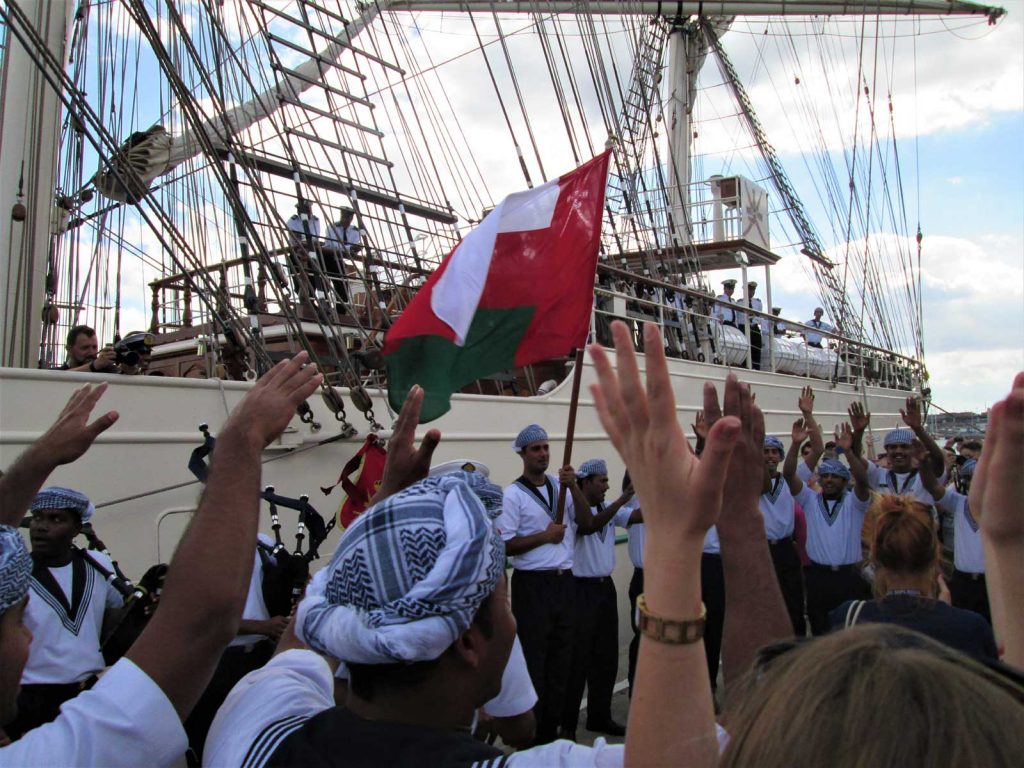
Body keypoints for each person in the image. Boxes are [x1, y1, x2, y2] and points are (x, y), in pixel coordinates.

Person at [205, 395, 624, 767]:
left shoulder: (255, 730)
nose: (512, 623)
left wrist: (386, 501)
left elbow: (308, 625)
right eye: (500, 602)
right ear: (465, 641)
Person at [0, 353, 322, 765]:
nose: (28, 636)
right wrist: (242, 439)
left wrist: (39, 459)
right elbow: (198, 624)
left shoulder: (93, 570)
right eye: (16, 621)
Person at [4, 487, 126, 738]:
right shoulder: (14, 573)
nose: (40, 526)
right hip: (31, 698)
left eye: (56, 519)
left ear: (77, 528)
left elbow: (119, 611)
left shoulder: (98, 565)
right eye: (38, 517)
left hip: (87, 693)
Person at [495, 424, 589, 745]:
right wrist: (544, 537)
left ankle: (553, 732)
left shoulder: (560, 487)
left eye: (546, 447)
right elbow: (505, 544)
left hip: (565, 584)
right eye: (535, 449)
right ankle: (531, 739)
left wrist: (574, 486)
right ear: (522, 454)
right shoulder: (512, 495)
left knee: (563, 660)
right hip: (533, 586)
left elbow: (587, 522)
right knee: (535, 661)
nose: (543, 453)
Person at [828, 493, 996, 660]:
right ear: (935, 554)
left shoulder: (848, 618)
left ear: (874, 554)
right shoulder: (969, 628)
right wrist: (945, 613)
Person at [183, 533, 290, 764]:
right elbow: (203, 617)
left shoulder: (264, 543)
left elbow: (288, 581)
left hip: (259, 656)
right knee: (212, 738)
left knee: (259, 735)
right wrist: (262, 626)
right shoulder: (200, 550)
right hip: (219, 664)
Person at [560, 458, 640, 740]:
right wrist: (623, 499)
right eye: (601, 480)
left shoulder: (606, 507)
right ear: (585, 483)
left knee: (605, 658)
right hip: (580, 590)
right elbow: (590, 525)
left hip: (604, 589)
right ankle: (567, 724)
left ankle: (599, 715)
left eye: (607, 480)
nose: (607, 485)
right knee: (578, 660)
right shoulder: (574, 510)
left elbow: (635, 517)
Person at [783, 420, 872, 635]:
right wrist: (795, 445)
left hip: (850, 577)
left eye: (836, 477)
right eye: (826, 476)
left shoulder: (855, 503)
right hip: (818, 577)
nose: (829, 480)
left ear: (844, 480)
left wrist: (848, 451)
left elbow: (862, 480)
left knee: (853, 632)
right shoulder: (809, 500)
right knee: (820, 630)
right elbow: (788, 476)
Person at [921, 458, 990, 623]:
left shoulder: (1004, 509)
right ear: (966, 482)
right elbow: (932, 487)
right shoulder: (958, 503)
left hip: (992, 583)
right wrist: (923, 463)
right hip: (963, 583)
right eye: (972, 479)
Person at [849, 397, 946, 505]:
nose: (898, 451)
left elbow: (937, 459)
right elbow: (855, 456)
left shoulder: (926, 477)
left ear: (913, 450)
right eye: (893, 447)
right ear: (887, 450)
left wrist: (918, 429)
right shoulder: (878, 475)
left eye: (904, 447)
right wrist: (858, 432)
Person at [761, 436, 806, 636]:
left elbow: (817, 451)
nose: (770, 455)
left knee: (793, 604)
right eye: (765, 451)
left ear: (780, 456)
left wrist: (796, 443)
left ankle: (797, 653)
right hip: (761, 551)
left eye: (774, 451)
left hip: (786, 549)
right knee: (764, 606)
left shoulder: (790, 481)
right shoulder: (751, 481)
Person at [738, 281, 763, 370]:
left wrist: (754, 318)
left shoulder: (758, 303)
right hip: (743, 328)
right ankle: (745, 366)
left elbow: (759, 316)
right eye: (750, 290)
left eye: (753, 290)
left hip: (754, 327)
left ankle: (756, 367)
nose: (751, 292)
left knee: (756, 348)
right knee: (745, 349)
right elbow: (737, 318)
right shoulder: (739, 303)